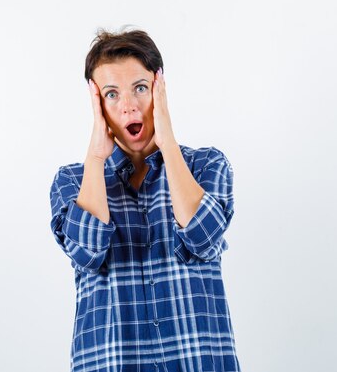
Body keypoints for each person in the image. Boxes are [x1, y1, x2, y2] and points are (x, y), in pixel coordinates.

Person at [49, 28, 241, 372]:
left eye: (140, 88)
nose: (129, 106)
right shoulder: (73, 182)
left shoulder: (207, 166)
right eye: (111, 94)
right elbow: (88, 251)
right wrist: (95, 156)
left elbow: (203, 236)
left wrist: (168, 144)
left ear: (159, 88)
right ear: (97, 106)